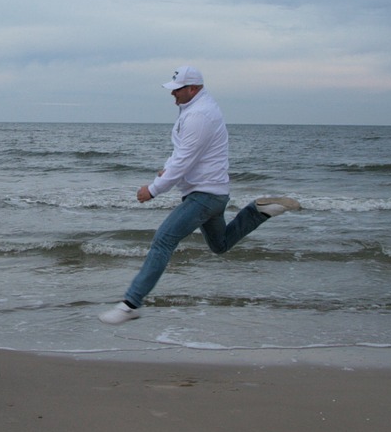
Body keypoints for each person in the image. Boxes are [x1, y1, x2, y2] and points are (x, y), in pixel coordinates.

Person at [99, 65, 301, 325]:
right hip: (213, 194)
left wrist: (153, 189)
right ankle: (258, 211)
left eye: (177, 90)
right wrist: (167, 171)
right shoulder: (196, 110)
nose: (173, 95)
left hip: (204, 196)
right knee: (220, 245)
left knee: (162, 241)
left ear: (193, 88)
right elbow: (183, 153)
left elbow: (184, 160)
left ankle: (130, 304)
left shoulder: (199, 116)